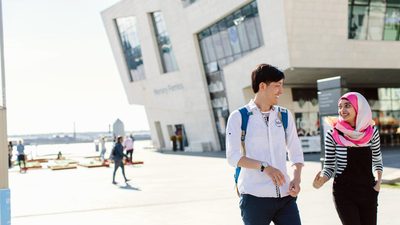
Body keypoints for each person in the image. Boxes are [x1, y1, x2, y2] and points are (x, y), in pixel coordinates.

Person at [226, 64, 304, 225]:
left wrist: (296, 179)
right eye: (277, 86)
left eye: (282, 85)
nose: (281, 91)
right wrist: (264, 167)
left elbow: (295, 150)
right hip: (254, 197)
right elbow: (233, 157)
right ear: (262, 86)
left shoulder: (284, 115)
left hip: (285, 197)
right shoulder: (239, 117)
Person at [313, 92, 383, 225]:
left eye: (347, 106)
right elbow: (329, 166)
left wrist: (378, 183)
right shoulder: (333, 134)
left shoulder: (372, 132)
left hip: (368, 190)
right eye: (340, 106)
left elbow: (377, 159)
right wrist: (321, 180)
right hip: (344, 192)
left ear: (358, 107)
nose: (342, 110)